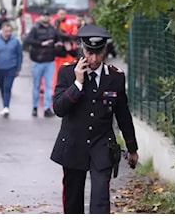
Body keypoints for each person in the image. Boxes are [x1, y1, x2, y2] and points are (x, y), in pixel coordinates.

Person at [50, 24, 139, 214]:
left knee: (100, 199)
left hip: (101, 144)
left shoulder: (115, 77)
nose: (94, 59)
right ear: (82, 49)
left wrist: (132, 148)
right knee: (73, 200)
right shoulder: (67, 72)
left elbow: (123, 113)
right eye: (90, 52)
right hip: (73, 144)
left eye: (98, 53)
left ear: (105, 50)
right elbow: (58, 108)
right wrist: (77, 84)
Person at [25, 9, 62, 118]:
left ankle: (47, 108)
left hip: (49, 60)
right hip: (37, 60)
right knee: (36, 85)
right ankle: (35, 107)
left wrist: (57, 44)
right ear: (40, 17)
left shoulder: (53, 30)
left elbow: (58, 40)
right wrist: (42, 43)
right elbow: (28, 40)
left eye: (47, 16)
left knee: (48, 86)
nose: (46, 18)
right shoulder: (35, 29)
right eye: (44, 16)